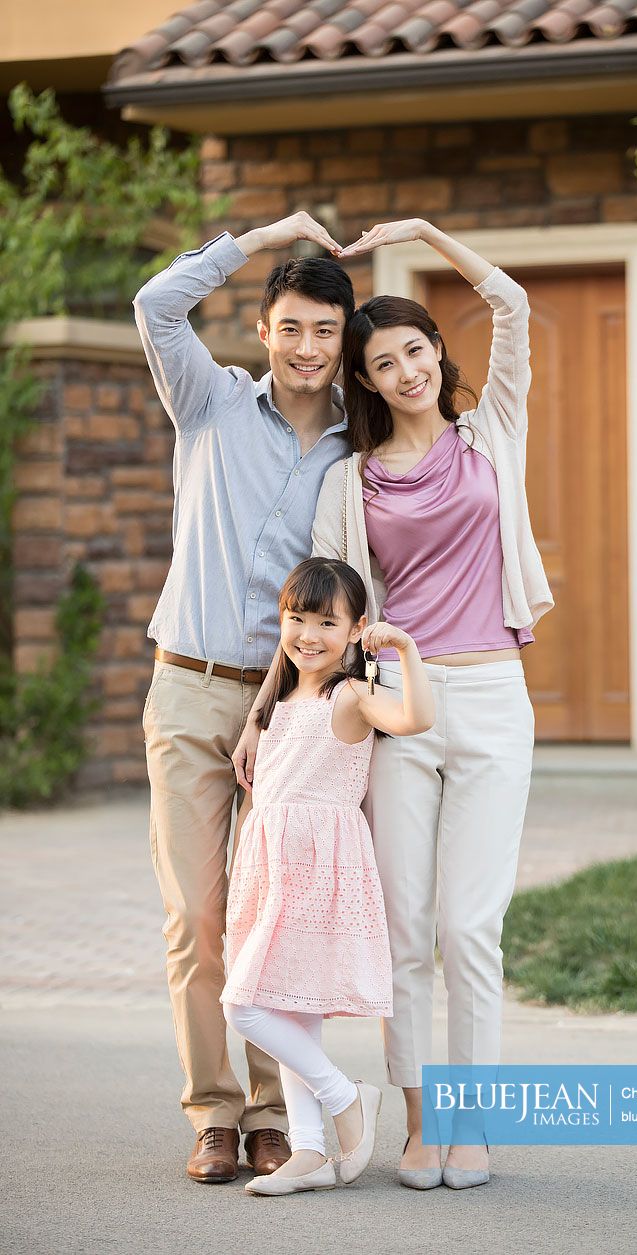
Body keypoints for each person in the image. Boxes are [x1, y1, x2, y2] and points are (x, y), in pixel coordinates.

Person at [235, 218, 553, 1191]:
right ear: (363, 381)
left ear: (436, 355)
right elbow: (324, 620)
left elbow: (515, 303)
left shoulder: (491, 429)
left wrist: (424, 235)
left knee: (471, 927)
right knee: (409, 930)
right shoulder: (350, 480)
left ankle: (473, 1122)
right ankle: (418, 1124)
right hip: (397, 700)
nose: (408, 369)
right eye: (384, 360)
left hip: (493, 692)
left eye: (418, 349)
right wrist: (261, 711)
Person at [134, 211, 354, 1184]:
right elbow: (155, 302)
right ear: (264, 330)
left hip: (288, 713)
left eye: (326, 331)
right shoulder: (209, 403)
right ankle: (214, 1111)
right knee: (197, 916)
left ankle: (274, 1109)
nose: (308, 348)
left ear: (343, 343)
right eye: (292, 327)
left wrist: (278, 714)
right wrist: (263, 235)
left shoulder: (357, 456)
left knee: (272, 916)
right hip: (186, 689)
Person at [222, 557, 434, 1196]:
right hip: (273, 866)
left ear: (354, 629)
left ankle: (346, 1098)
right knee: (290, 1007)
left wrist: (406, 650)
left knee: (244, 1003)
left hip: (321, 872)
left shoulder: (350, 696)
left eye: (325, 622)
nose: (308, 635)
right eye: (296, 619)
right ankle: (310, 1151)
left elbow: (415, 720)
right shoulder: (282, 698)